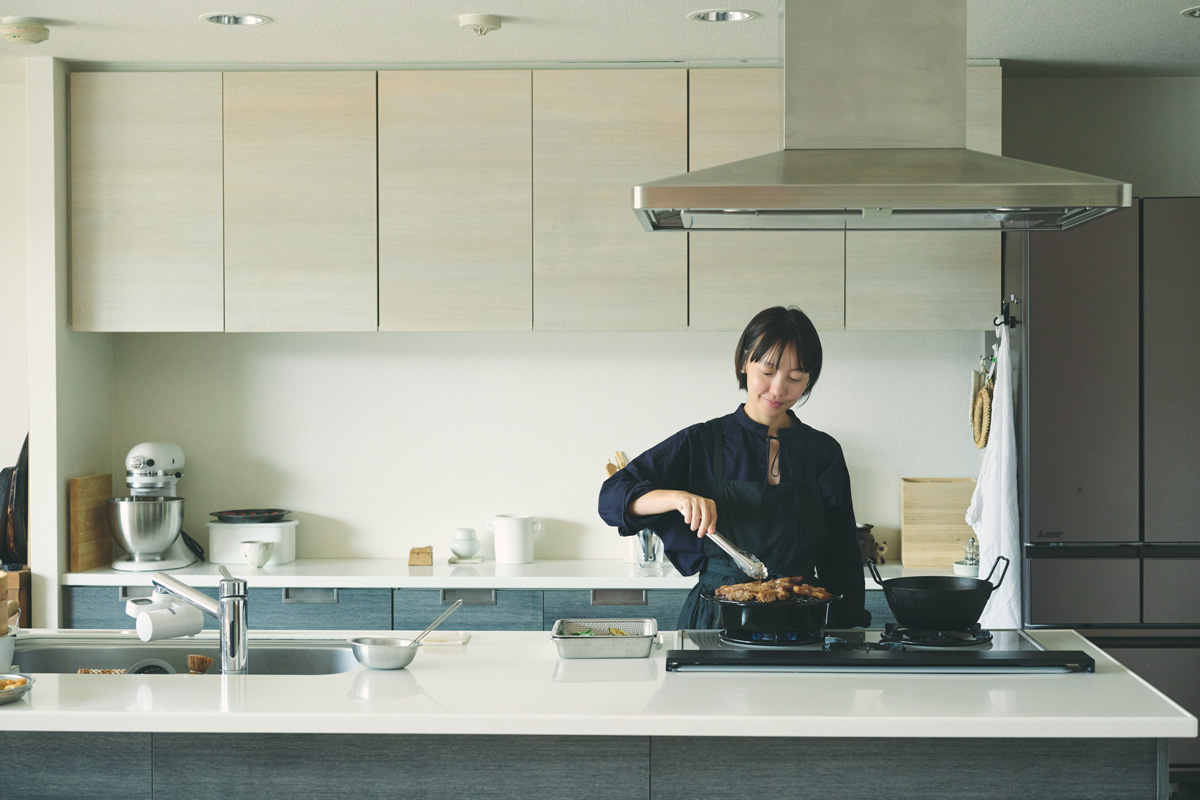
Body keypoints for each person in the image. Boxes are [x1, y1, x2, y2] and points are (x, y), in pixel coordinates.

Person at [598, 306, 870, 629]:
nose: (779, 389)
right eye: (767, 372)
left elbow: (844, 562)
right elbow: (611, 498)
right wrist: (676, 498)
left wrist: (850, 637)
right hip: (717, 623)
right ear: (745, 362)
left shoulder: (824, 453)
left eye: (795, 378)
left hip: (802, 624)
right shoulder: (702, 441)